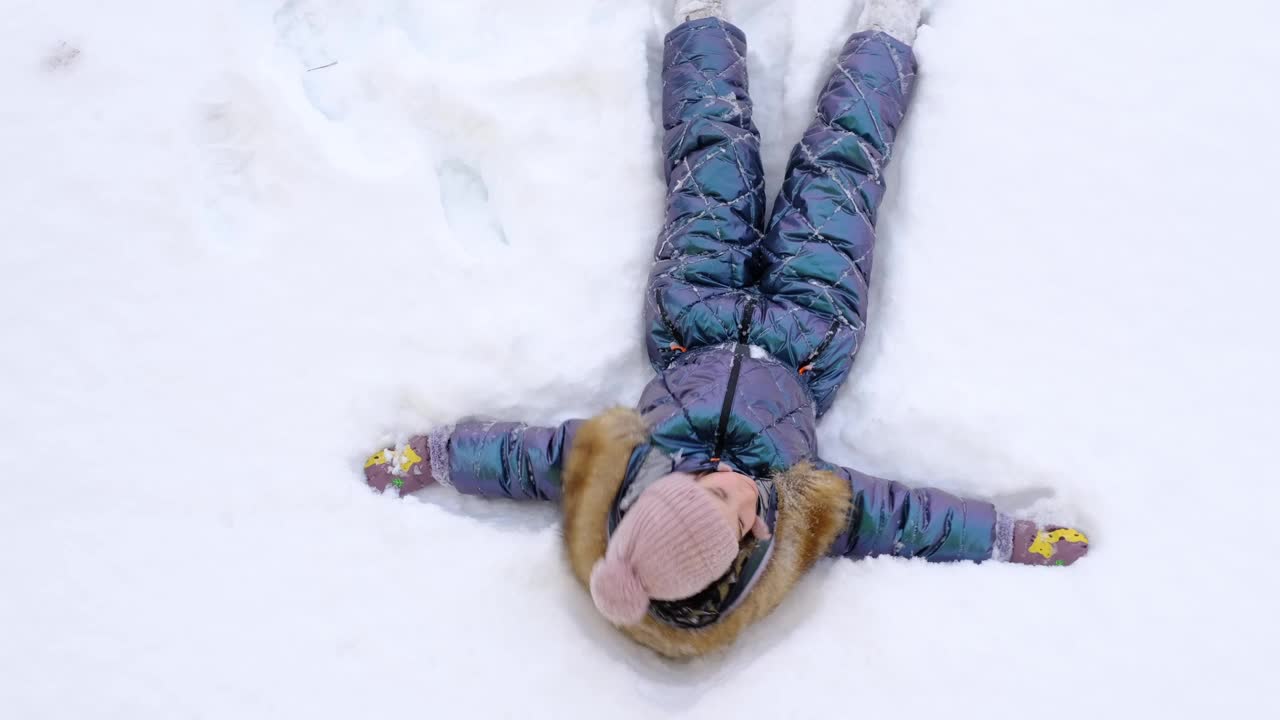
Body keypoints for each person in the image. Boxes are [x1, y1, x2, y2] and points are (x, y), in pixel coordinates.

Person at [364, 0, 1089, 658]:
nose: (723, 478)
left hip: (694, 312)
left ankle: (702, 19)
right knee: (841, 174)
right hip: (811, 336)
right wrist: (1007, 537)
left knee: (712, 155)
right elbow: (908, 518)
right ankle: (883, 35)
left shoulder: (622, 473)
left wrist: (430, 456)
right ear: (746, 542)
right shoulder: (805, 511)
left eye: (694, 483)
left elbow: (521, 458)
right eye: (727, 503)